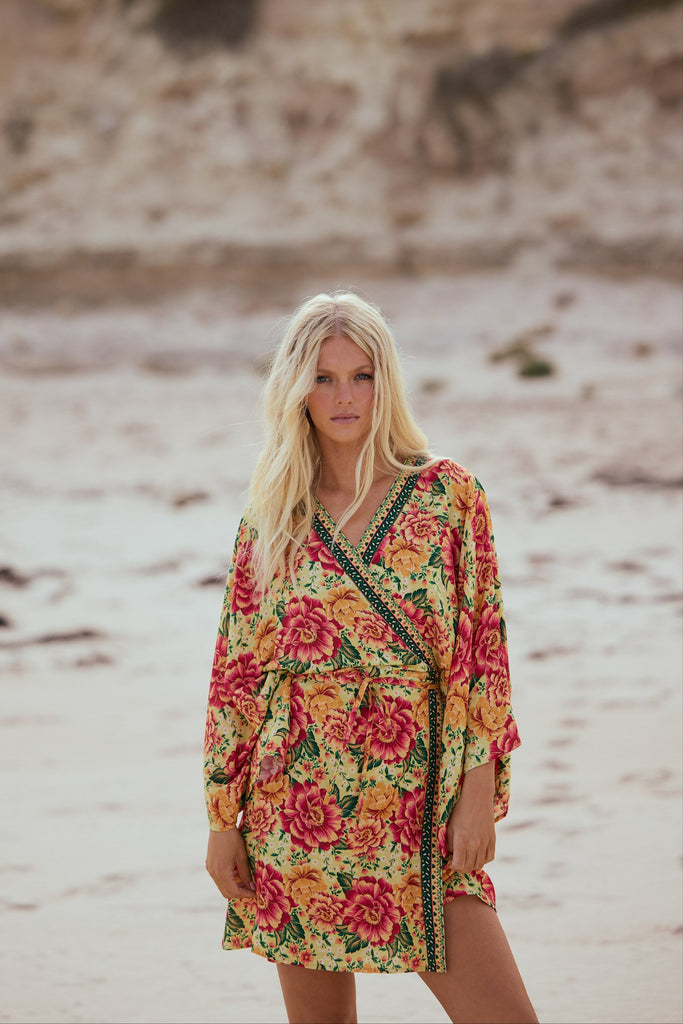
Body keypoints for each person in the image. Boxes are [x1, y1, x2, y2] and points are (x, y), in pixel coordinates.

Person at [204, 291, 538, 1024]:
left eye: (361, 375)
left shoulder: (447, 495)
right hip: (298, 803)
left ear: (386, 382)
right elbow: (238, 675)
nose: (344, 395)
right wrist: (222, 817)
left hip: (421, 799)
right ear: (296, 389)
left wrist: (476, 789)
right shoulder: (273, 515)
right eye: (323, 378)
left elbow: (482, 652)